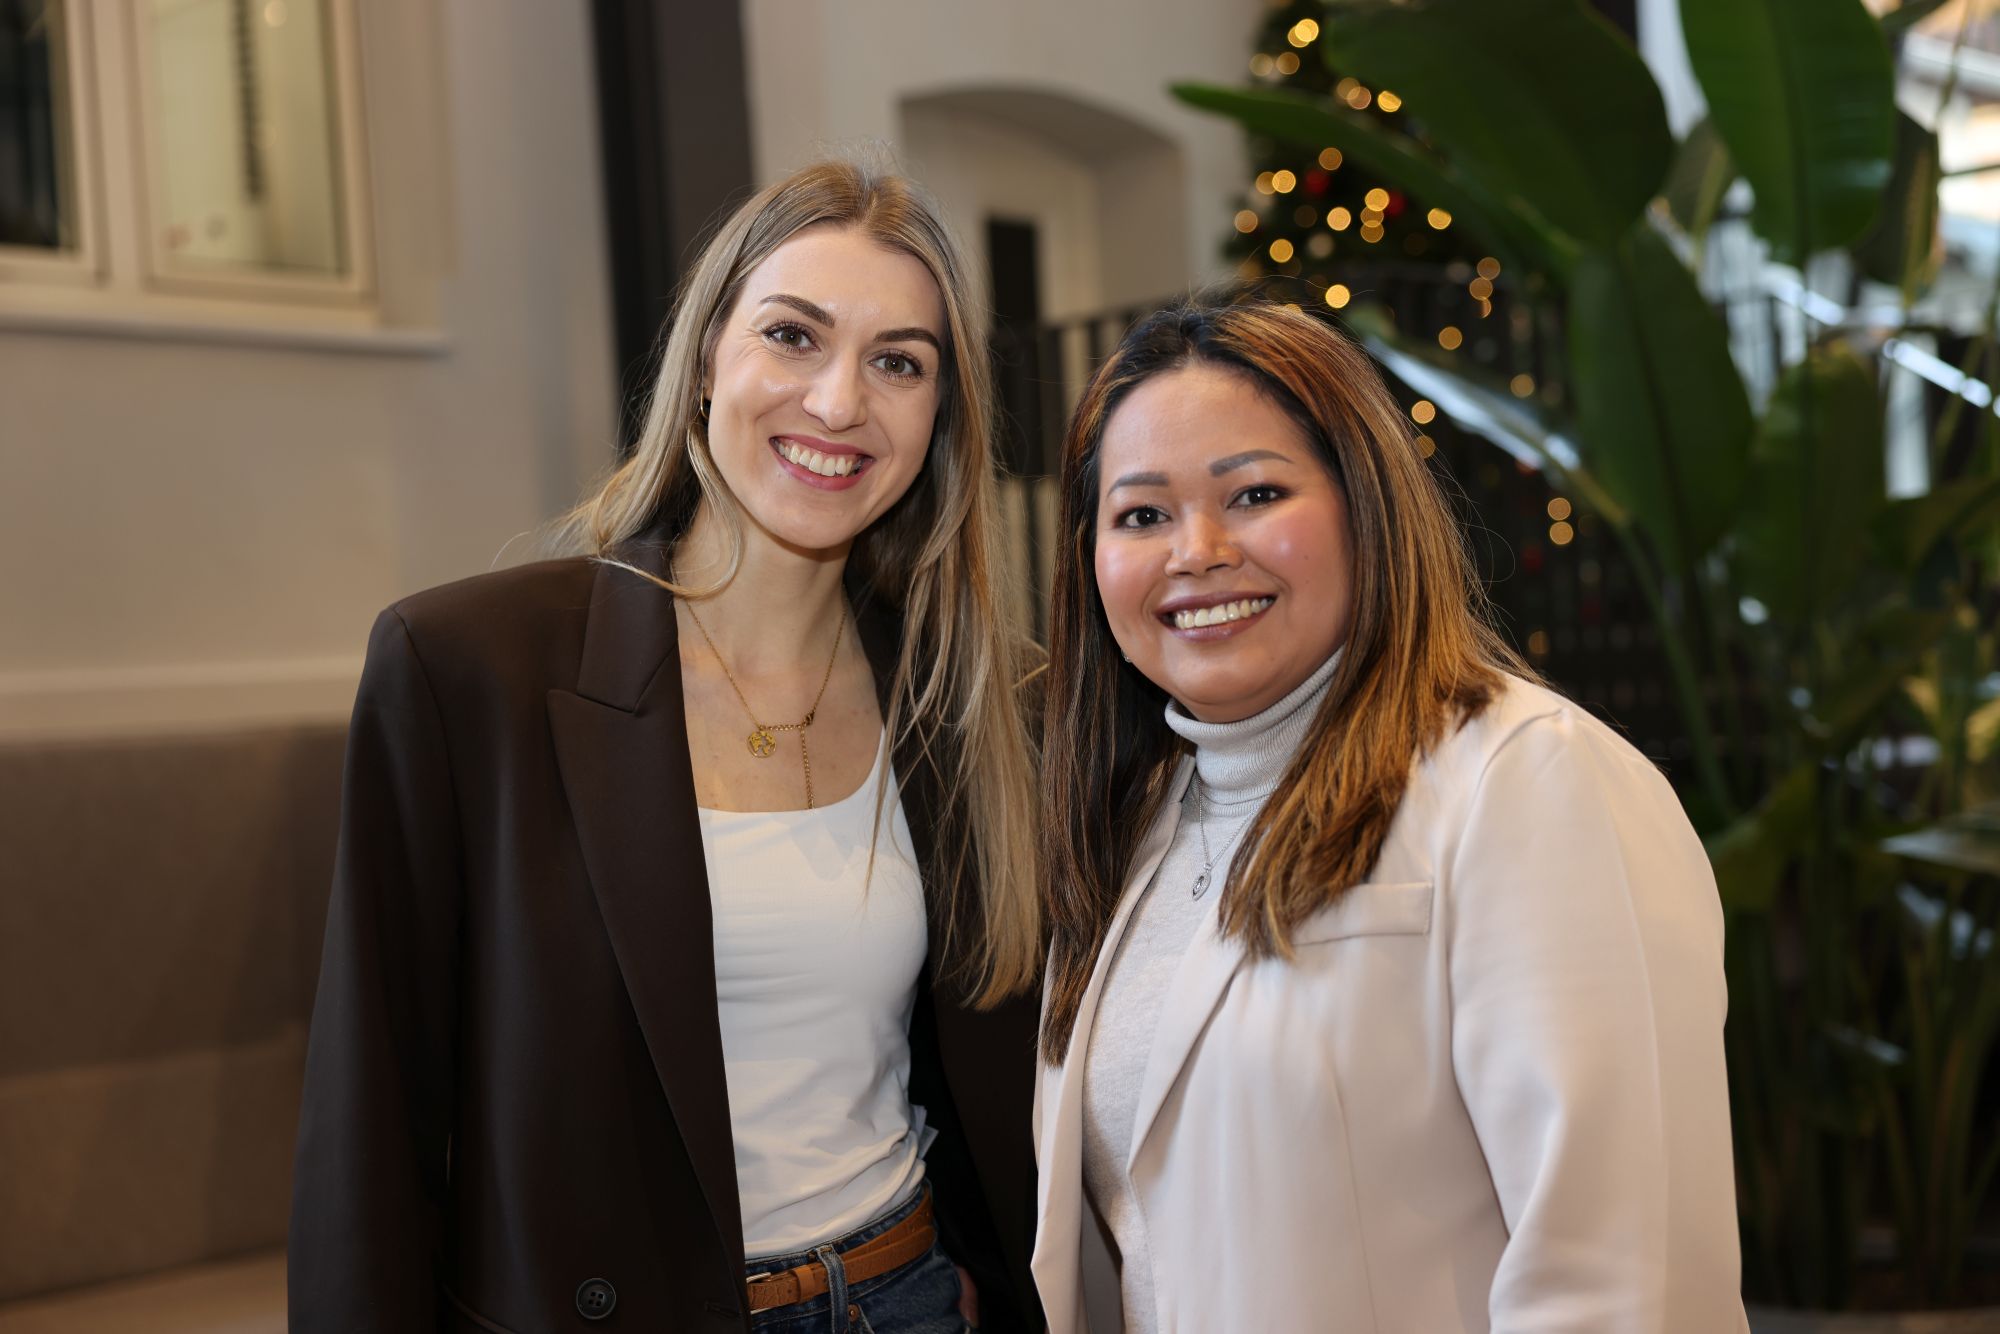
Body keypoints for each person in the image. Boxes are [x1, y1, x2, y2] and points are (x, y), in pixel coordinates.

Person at [289, 159, 1046, 1334]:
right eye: (792, 336)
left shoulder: (964, 698)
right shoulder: (467, 668)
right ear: (706, 361)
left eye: (898, 361)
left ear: (939, 415)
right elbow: (371, 1121)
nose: (840, 402)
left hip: (905, 1297)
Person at [1030, 294, 1747, 1333]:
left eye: (1254, 492)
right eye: (1140, 513)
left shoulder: (1530, 781)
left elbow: (1624, 1283)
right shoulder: (1127, 818)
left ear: (1365, 505)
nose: (1194, 550)